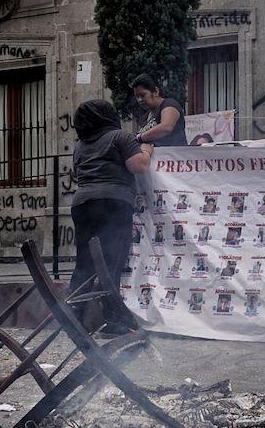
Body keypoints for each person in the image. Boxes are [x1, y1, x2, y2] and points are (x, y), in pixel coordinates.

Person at [69, 100, 154, 338]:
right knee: (111, 263)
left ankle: (73, 315)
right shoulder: (120, 137)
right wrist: (147, 148)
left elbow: (77, 173)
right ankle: (114, 320)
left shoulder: (81, 145)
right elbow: (139, 165)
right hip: (112, 202)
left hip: (82, 204)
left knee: (84, 263)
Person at [133, 74, 186, 146]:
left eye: (143, 95)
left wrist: (139, 137)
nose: (139, 100)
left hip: (173, 155)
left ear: (156, 91)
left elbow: (166, 127)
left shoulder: (169, 104)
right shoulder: (144, 117)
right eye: (137, 97)